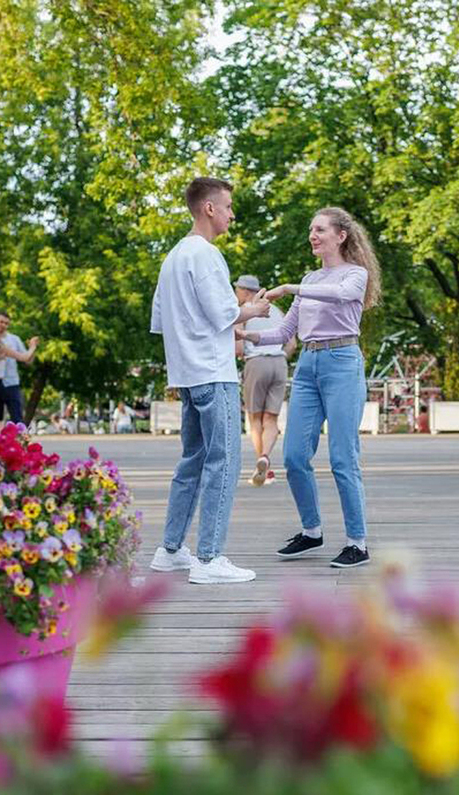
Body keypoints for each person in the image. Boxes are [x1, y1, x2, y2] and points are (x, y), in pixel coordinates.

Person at [241, 206, 380, 569]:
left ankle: (357, 542)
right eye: (311, 230)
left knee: (342, 458)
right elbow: (284, 332)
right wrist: (246, 333)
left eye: (319, 229)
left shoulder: (355, 275)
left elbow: (338, 295)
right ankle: (312, 531)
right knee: (294, 456)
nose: (312, 235)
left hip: (342, 363)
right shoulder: (310, 278)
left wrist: (289, 288)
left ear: (341, 235)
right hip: (307, 365)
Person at [147, 177, 269, 584]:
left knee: (193, 461)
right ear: (210, 208)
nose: (233, 214)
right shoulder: (207, 255)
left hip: (186, 373)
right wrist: (255, 308)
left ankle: (170, 549)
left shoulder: (172, 258)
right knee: (225, 461)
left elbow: (165, 321)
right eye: (229, 206)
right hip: (214, 374)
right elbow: (225, 313)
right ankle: (209, 558)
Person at [233, 274, 296, 486]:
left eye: (237, 289)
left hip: (256, 363)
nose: (236, 294)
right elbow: (292, 344)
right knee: (271, 419)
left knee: (254, 419)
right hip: (279, 363)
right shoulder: (276, 311)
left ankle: (261, 464)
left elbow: (239, 348)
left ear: (245, 291)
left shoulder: (244, 312)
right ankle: (266, 458)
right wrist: (279, 356)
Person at [0, 311, 39, 425]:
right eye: (1, 322)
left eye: (6, 323)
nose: (3, 325)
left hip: (11, 383)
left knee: (17, 418)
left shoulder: (14, 339)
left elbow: (28, 361)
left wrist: (32, 348)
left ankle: (19, 441)